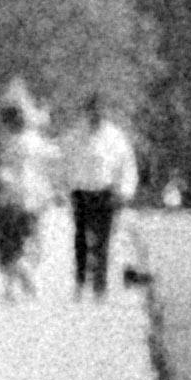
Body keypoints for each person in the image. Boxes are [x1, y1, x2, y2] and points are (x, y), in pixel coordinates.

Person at [62, 92, 140, 302]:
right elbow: (64, 162)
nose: (96, 114)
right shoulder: (75, 136)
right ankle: (80, 283)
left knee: (102, 242)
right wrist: (65, 188)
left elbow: (127, 165)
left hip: (105, 193)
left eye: (100, 109)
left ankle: (100, 286)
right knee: (81, 240)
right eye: (92, 109)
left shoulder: (115, 136)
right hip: (81, 192)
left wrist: (124, 192)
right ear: (87, 111)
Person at [0, 87, 57, 299]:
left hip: (12, 199)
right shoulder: (37, 142)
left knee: (11, 244)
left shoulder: (5, 144)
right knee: (26, 242)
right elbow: (51, 167)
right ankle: (16, 282)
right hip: (30, 199)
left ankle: (17, 281)